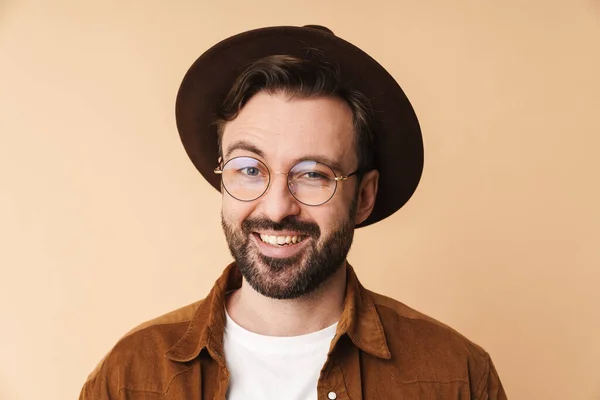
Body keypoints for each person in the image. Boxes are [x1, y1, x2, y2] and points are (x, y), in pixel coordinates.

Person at [79, 25, 507, 399]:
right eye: (249, 169)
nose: (278, 207)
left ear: (363, 197)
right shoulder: (130, 378)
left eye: (313, 174)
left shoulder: (455, 377)